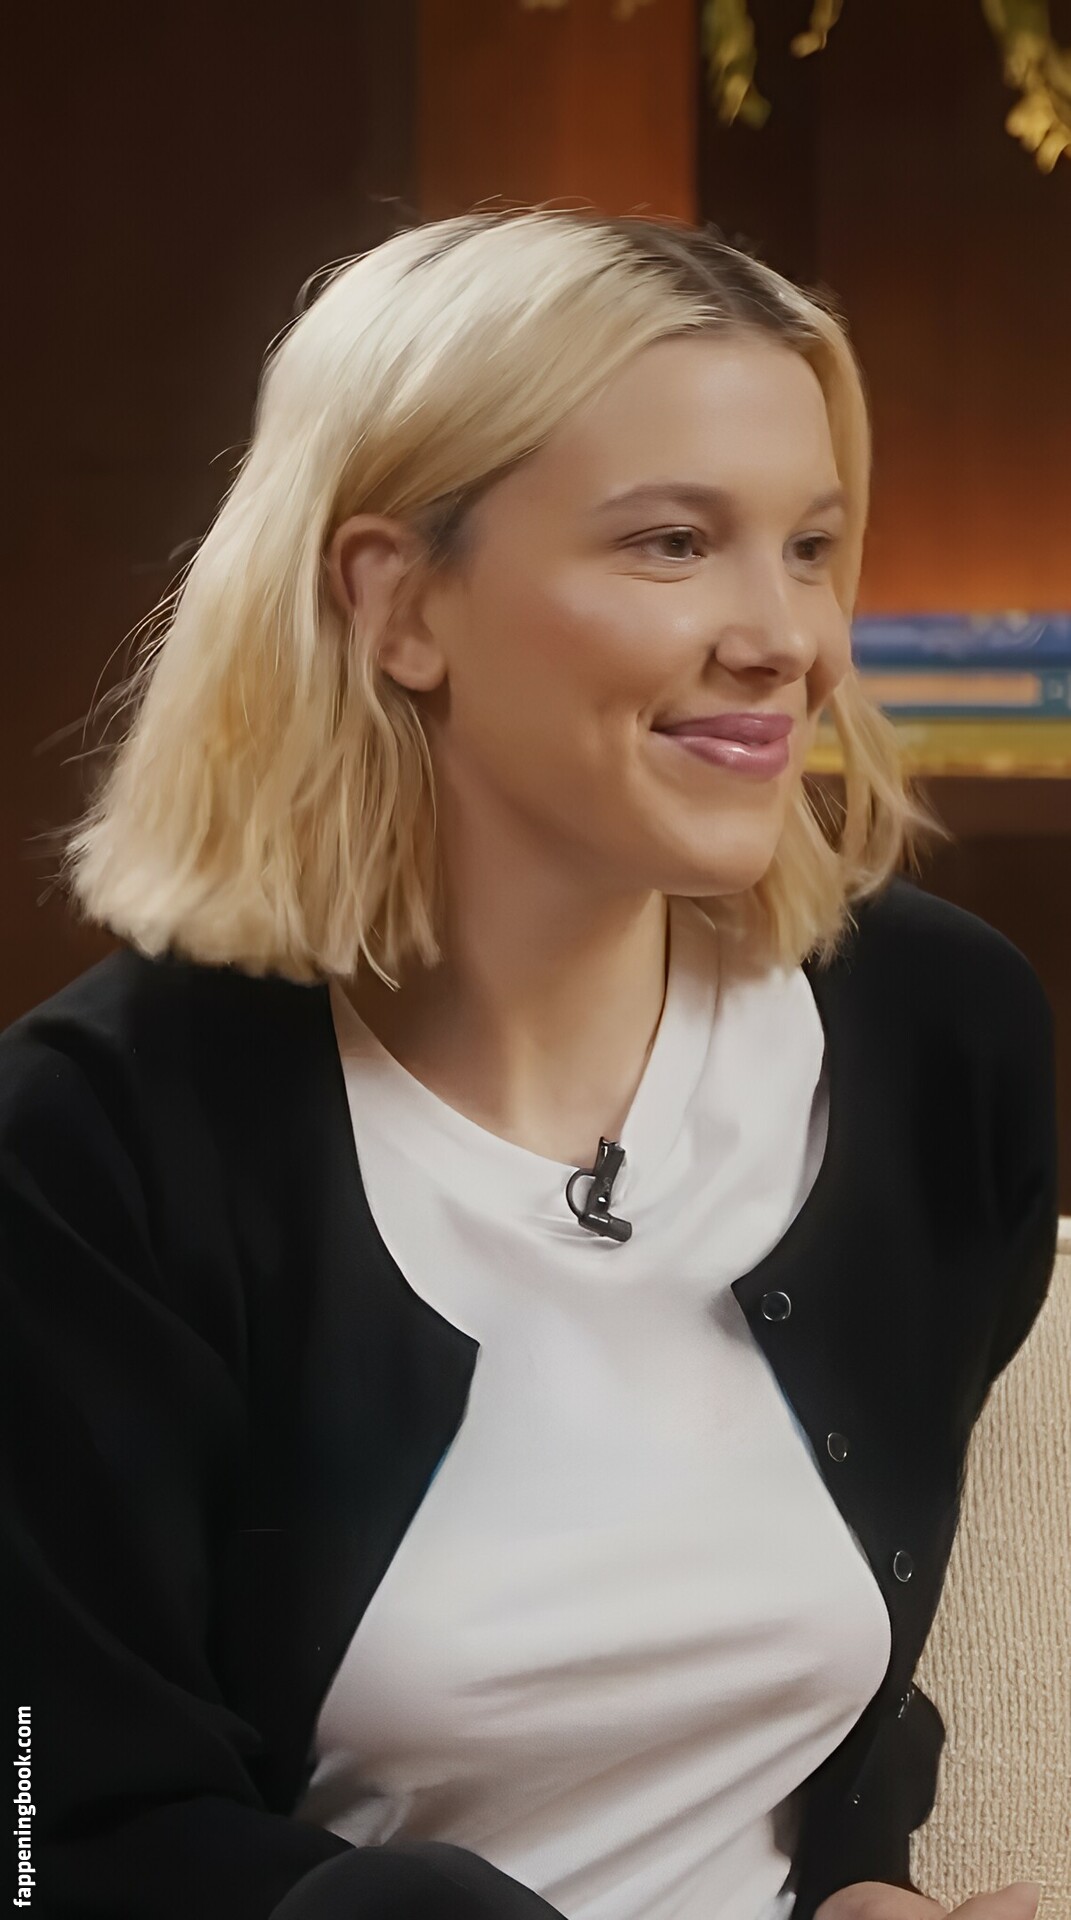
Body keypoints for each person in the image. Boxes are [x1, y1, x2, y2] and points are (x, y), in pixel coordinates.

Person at [1, 209, 1057, 1920]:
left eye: (810, 546)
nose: (784, 636)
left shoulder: (941, 1042)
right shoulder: (92, 1146)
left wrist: (864, 1886)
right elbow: (64, 1843)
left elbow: (837, 1708)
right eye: (672, 543)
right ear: (397, 601)